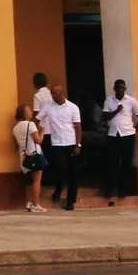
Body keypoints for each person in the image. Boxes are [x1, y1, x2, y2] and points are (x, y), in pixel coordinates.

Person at [34, 77, 82, 211]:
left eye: (55, 93)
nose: (53, 96)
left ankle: (70, 201)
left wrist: (78, 145)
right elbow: (37, 119)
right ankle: (59, 188)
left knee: (73, 173)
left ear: (62, 93)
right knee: (60, 169)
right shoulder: (48, 107)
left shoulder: (73, 108)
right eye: (52, 93)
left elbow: (78, 127)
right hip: (57, 144)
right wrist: (36, 131)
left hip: (71, 142)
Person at [99, 79, 138, 205]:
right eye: (118, 88)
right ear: (114, 88)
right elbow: (104, 117)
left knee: (126, 163)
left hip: (127, 135)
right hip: (113, 135)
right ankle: (110, 188)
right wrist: (117, 110)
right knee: (112, 162)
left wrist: (135, 130)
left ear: (125, 88)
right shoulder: (109, 101)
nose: (120, 90)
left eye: (122, 88)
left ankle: (123, 189)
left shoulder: (131, 101)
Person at [12, 104, 47, 214]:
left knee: (30, 180)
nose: (31, 112)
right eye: (29, 110)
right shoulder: (31, 125)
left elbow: (17, 144)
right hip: (34, 154)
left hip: (23, 156)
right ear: (24, 113)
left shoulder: (15, 128)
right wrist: (42, 132)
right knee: (37, 180)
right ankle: (35, 204)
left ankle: (30, 202)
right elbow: (38, 140)